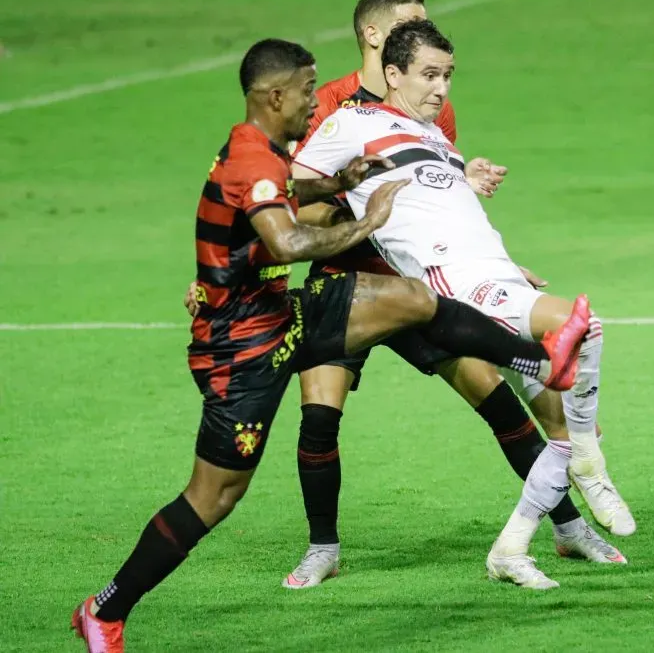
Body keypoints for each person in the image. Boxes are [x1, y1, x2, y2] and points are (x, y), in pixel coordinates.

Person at [71, 38, 591, 653]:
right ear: (275, 97)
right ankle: (104, 610)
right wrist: (366, 222)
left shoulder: (265, 149)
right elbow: (287, 243)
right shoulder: (251, 159)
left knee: (412, 299)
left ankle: (536, 358)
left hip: (282, 315)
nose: (314, 101)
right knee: (215, 495)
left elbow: (286, 198)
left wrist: (339, 183)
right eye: (306, 91)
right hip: (239, 349)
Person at [284, 0, 628, 587]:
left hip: (423, 286)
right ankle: (322, 549)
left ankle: (569, 528)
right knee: (318, 416)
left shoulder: (432, 108)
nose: (422, 33)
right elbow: (295, 201)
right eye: (409, 24)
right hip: (348, 281)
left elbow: (437, 189)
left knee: (501, 404)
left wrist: (472, 199)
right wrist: (364, 211)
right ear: (375, 38)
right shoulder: (334, 107)